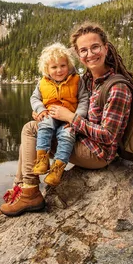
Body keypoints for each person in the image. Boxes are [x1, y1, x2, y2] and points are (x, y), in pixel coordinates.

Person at [0, 21, 133, 217]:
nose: (90, 54)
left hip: (97, 152)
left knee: (30, 131)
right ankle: (21, 189)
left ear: (105, 48)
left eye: (95, 47)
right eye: (84, 50)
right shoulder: (87, 79)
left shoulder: (117, 87)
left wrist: (70, 118)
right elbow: (51, 99)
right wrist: (42, 112)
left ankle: (29, 193)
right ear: (78, 55)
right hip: (81, 138)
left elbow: (109, 136)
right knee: (32, 133)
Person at [30, 43, 89, 187]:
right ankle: (42, 158)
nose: (59, 70)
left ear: (68, 65)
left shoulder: (77, 80)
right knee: (45, 125)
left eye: (63, 65)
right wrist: (40, 110)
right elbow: (35, 98)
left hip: (69, 117)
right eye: (54, 67)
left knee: (67, 135)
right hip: (50, 114)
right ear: (47, 69)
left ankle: (58, 168)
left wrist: (77, 117)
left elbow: (84, 100)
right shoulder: (42, 82)